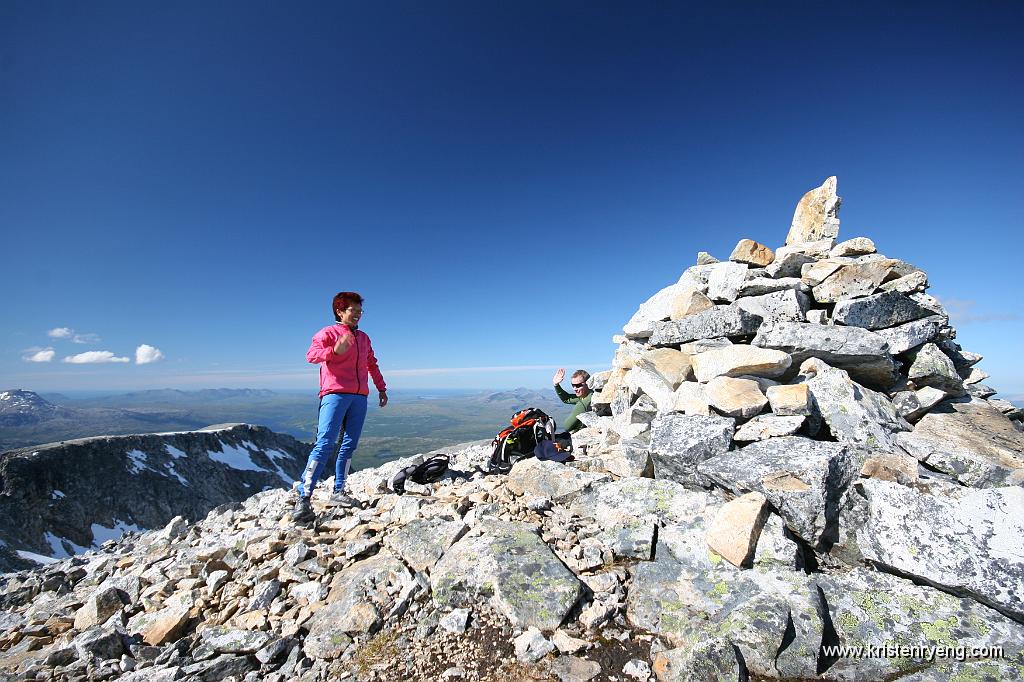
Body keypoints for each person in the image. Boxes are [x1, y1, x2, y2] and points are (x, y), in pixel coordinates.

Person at [293, 291, 387, 523]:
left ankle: (339, 491)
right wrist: (334, 351)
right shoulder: (328, 333)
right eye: (352, 311)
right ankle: (303, 498)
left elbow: (371, 363)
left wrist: (381, 388)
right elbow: (311, 356)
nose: (357, 315)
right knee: (325, 443)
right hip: (334, 394)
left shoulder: (364, 338)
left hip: (359, 397)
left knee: (349, 444)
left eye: (359, 311)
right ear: (340, 311)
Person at [552, 368, 592, 433]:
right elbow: (567, 399)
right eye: (573, 385)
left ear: (588, 383)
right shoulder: (587, 395)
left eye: (578, 385)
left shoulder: (585, 402)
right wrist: (556, 385)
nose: (574, 389)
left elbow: (567, 426)